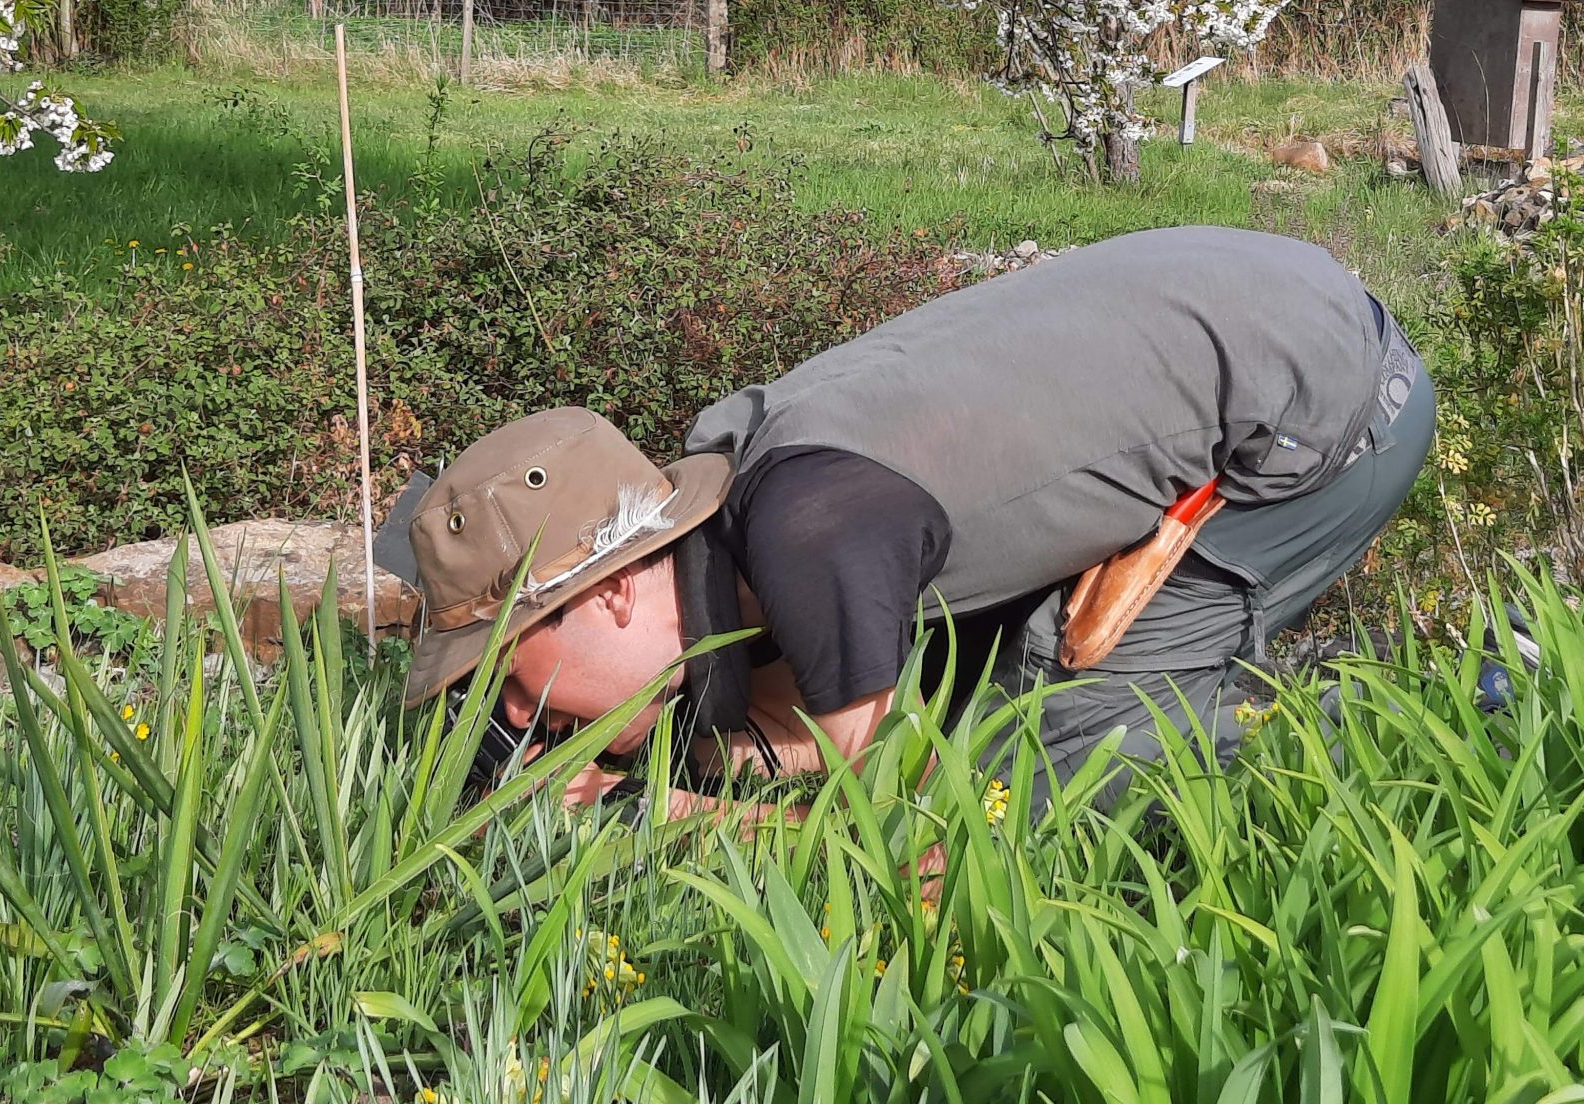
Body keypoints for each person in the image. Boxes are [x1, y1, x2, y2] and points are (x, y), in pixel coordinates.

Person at [394, 225, 1436, 822]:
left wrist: (647, 816)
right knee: (962, 671)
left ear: (610, 584)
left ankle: (1450, 718)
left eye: (512, 681)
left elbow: (891, 819)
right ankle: (1322, 679)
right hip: (1260, 323)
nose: (531, 721)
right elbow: (792, 716)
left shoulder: (810, 529)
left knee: (1034, 778)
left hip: (1318, 414)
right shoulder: (745, 497)